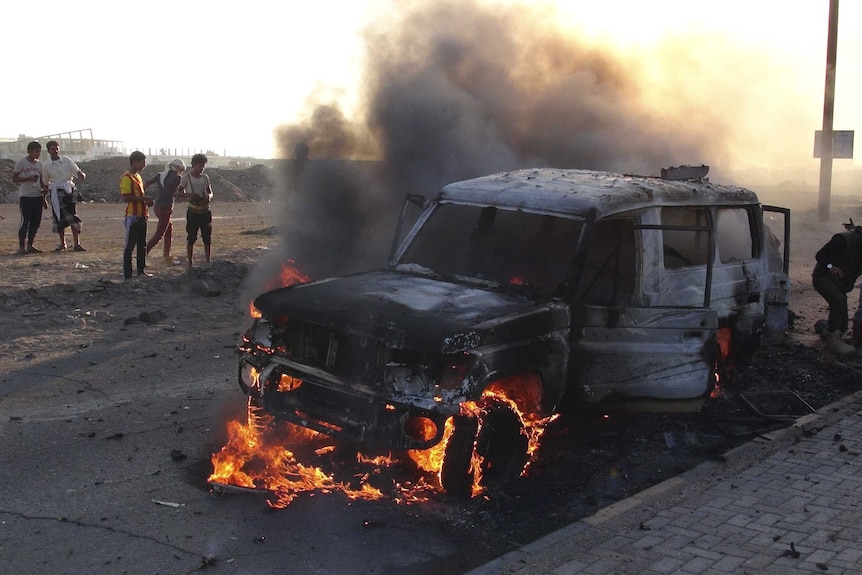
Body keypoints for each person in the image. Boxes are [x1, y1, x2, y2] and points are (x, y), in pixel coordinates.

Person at [812, 224, 862, 366]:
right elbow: (820, 255)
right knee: (838, 301)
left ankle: (827, 358)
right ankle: (833, 342)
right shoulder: (843, 240)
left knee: (842, 320)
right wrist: (830, 267)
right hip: (823, 277)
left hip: (839, 284)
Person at [42, 140, 87, 252]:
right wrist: (44, 198)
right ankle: (63, 243)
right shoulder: (46, 165)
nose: (55, 151)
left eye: (57, 149)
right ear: (48, 151)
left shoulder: (66, 160)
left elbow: (77, 171)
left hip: (69, 190)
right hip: (56, 193)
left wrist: (81, 175)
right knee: (59, 218)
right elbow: (45, 182)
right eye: (53, 149)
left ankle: (77, 243)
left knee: (73, 216)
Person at [120, 151, 154, 279]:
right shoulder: (127, 178)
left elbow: (138, 196)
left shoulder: (138, 177)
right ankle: (127, 275)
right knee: (129, 246)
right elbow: (126, 197)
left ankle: (141, 270)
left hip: (142, 215)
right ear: (134, 162)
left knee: (141, 244)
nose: (144, 165)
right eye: (142, 162)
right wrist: (144, 198)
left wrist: (146, 201)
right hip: (133, 216)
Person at [144, 158, 185, 259]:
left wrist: (142, 196)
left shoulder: (160, 175)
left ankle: (166, 254)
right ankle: (143, 253)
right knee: (159, 234)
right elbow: (181, 193)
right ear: (178, 168)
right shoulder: (177, 178)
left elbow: (146, 184)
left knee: (168, 230)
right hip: (166, 208)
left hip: (157, 206)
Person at [177, 153, 213, 268]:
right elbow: (179, 193)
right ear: (193, 165)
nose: (201, 168)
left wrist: (209, 197)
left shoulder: (205, 177)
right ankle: (190, 262)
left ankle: (208, 261)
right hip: (193, 212)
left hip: (205, 211)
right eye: (199, 165)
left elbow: (210, 192)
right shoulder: (186, 177)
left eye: (203, 166)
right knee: (191, 237)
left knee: (207, 237)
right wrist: (190, 195)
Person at [11, 141, 47, 254]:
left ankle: (30, 245)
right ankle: (21, 246)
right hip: (26, 196)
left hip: (37, 196)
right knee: (25, 221)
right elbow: (15, 179)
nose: (38, 154)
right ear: (30, 151)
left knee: (35, 222)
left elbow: (41, 180)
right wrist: (28, 179)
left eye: (39, 151)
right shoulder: (21, 163)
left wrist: (44, 195)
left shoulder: (39, 164)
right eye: (36, 151)